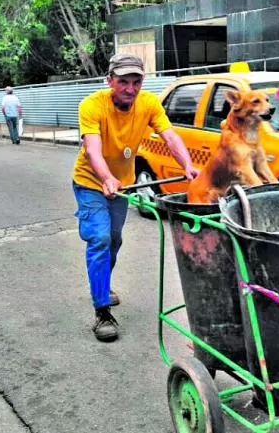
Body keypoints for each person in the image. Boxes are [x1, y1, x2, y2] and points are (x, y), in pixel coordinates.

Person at [72, 53, 199, 342]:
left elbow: (170, 136)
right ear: (110, 81)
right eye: (123, 82)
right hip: (91, 183)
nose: (130, 88)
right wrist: (106, 178)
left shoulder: (149, 104)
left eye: (136, 81)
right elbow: (92, 149)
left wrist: (187, 165)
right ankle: (102, 311)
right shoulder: (92, 105)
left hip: (123, 186)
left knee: (114, 239)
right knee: (100, 238)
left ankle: (102, 285)